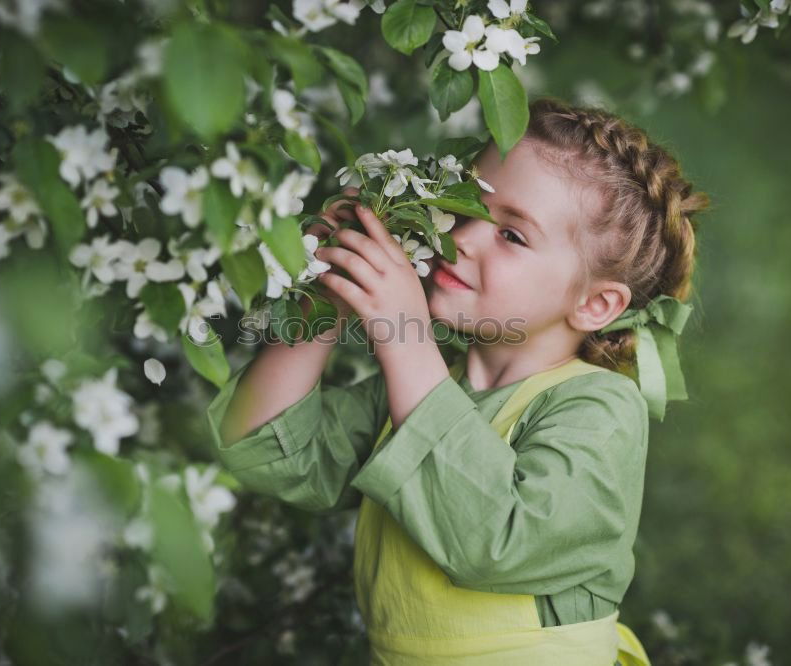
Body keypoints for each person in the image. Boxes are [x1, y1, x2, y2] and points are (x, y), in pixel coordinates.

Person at [204, 95, 710, 665]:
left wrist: (406, 341)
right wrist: (326, 298)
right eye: (467, 207)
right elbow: (261, 453)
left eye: (512, 236)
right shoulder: (425, 388)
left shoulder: (598, 407)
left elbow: (497, 540)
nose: (463, 237)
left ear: (595, 304)